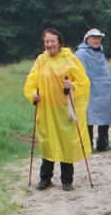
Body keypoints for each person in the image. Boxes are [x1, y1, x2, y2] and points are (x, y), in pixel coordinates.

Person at [24, 28, 90, 191]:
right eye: (46, 41)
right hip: (46, 110)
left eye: (52, 41)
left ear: (59, 42)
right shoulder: (41, 60)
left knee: (66, 143)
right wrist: (33, 95)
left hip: (65, 109)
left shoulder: (70, 59)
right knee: (48, 142)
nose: (49, 44)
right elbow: (31, 82)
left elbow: (83, 82)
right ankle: (45, 178)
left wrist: (72, 85)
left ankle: (67, 180)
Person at [73, 28, 111, 152]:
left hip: (104, 89)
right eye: (94, 38)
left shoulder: (100, 53)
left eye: (98, 38)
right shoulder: (81, 54)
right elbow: (78, 72)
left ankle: (103, 144)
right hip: (89, 89)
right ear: (87, 40)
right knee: (88, 117)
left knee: (105, 116)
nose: (96, 41)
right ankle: (87, 146)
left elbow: (104, 71)